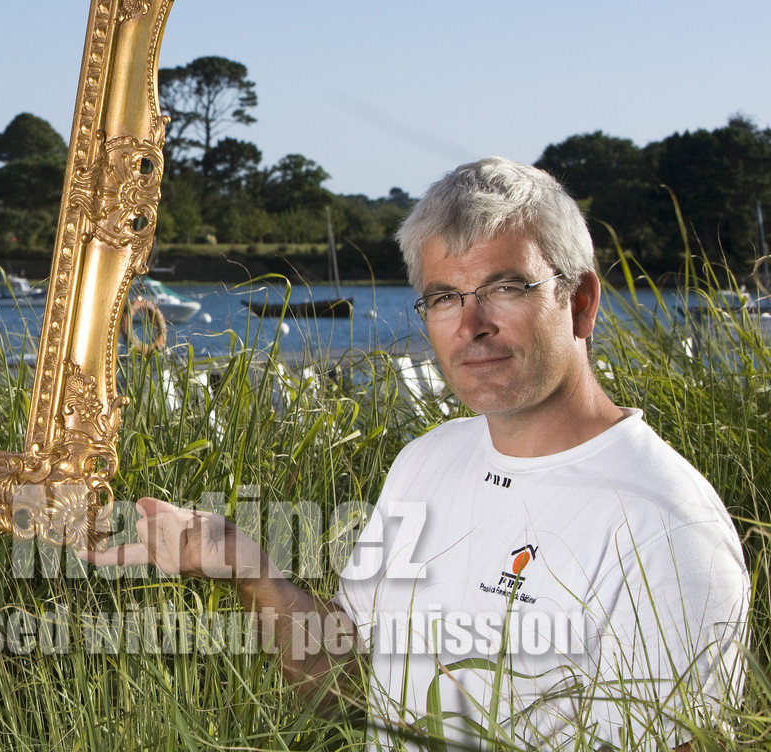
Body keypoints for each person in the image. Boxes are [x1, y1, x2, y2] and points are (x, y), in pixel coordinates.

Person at [81, 157, 749, 749]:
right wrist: (252, 572)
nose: (471, 325)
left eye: (506, 288)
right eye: (444, 297)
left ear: (580, 301)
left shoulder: (666, 524)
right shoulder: (427, 461)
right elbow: (338, 686)